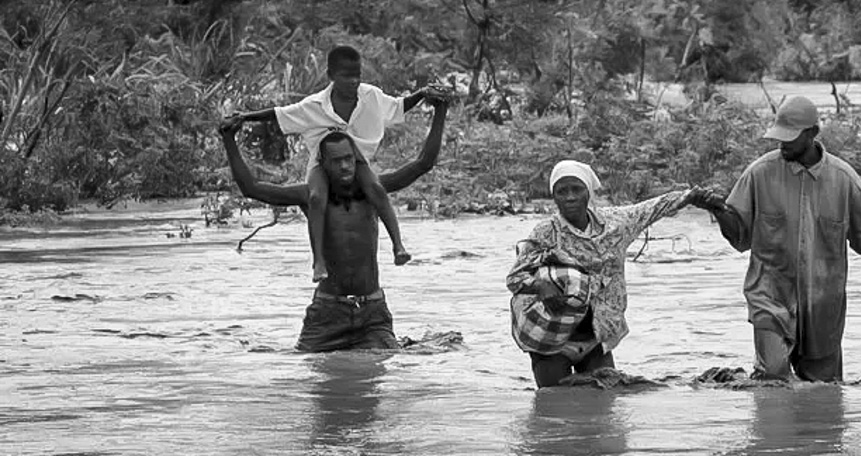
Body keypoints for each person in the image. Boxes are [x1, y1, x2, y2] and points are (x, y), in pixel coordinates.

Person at [701, 95, 861, 383]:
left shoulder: (843, 179)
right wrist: (718, 211)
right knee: (772, 380)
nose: (783, 144)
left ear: (813, 133)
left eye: (790, 138)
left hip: (823, 301)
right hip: (770, 294)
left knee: (823, 392)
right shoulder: (759, 174)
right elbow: (738, 235)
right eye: (780, 137)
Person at [218, 92, 448, 352]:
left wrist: (440, 111)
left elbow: (423, 163)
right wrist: (229, 140)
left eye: (349, 159)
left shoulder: (373, 190)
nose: (345, 167)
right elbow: (252, 188)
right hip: (327, 313)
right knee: (308, 368)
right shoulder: (309, 196)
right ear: (323, 165)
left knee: (385, 370)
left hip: (372, 312)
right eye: (337, 161)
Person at [224, 45, 445, 283]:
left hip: (361, 160)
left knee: (376, 189)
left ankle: (398, 246)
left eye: (357, 76)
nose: (354, 82)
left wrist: (429, 99)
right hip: (321, 165)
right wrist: (239, 124)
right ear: (331, 76)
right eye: (347, 76)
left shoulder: (371, 96)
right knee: (317, 198)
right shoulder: (314, 107)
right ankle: (318, 261)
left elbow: (404, 118)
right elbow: (277, 116)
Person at [505, 160, 710, 388]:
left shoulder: (616, 224)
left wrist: (692, 197)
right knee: (553, 408)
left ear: (589, 192)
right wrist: (542, 287)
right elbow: (515, 278)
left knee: (603, 416)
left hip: (597, 338)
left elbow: (652, 208)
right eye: (562, 192)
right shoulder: (546, 232)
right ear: (554, 197)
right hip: (551, 339)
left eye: (577, 189)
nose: (570, 197)